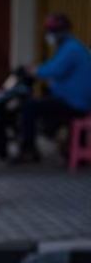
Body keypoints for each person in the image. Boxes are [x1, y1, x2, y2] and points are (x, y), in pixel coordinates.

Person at [18, 13, 91, 162]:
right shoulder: (68, 47)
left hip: (73, 104)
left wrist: (33, 71)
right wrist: (37, 69)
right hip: (70, 100)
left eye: (52, 31)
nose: (49, 35)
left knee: (29, 107)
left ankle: (29, 150)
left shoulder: (72, 48)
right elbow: (53, 65)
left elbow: (53, 69)